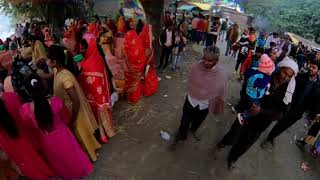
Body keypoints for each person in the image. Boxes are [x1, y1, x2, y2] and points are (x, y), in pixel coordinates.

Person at [217, 57, 298, 169]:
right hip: (248, 112)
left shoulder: (288, 92)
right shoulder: (265, 75)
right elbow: (246, 88)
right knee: (235, 131)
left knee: (246, 142)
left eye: (290, 76)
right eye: (285, 72)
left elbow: (281, 114)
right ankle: (225, 142)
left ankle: (232, 158)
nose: (286, 77)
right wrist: (250, 104)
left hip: (262, 122)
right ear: (280, 68)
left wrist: (261, 111)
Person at [20, 74, 93, 178]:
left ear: (27, 91)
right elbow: (66, 119)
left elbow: (31, 130)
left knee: (62, 168)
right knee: (75, 163)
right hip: (65, 138)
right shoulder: (56, 102)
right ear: (42, 85)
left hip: (48, 144)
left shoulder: (25, 111)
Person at [47, 45, 102, 161]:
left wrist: (73, 119)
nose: (47, 61)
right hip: (67, 110)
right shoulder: (57, 71)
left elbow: (75, 101)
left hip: (74, 112)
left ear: (55, 61)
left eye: (48, 59)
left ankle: (90, 157)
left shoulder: (65, 78)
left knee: (81, 135)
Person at [170, 46, 226, 148]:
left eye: (210, 60)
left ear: (216, 61)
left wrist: (215, 102)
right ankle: (181, 135)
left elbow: (220, 90)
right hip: (191, 100)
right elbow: (191, 81)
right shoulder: (196, 67)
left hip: (205, 105)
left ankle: (193, 130)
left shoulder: (220, 74)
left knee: (198, 120)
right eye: (204, 58)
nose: (206, 62)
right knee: (185, 120)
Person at [261, 59, 320, 149]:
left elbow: (316, 101)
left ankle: (271, 137)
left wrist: (313, 115)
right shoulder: (300, 76)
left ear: (318, 71)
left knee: (283, 126)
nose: (311, 69)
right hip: (288, 105)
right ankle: (264, 134)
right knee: (276, 119)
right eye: (310, 66)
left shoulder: (318, 85)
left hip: (298, 112)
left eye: (314, 67)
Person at [0, 92, 54, 179]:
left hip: (11, 141)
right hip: (21, 134)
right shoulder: (11, 96)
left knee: (28, 163)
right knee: (33, 158)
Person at [78, 32, 115, 142]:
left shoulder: (93, 61)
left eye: (83, 48)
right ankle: (101, 133)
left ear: (90, 47)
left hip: (97, 95)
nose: (81, 51)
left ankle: (103, 134)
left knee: (99, 113)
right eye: (80, 48)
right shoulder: (92, 58)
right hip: (93, 96)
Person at [237, 54, 275, 123]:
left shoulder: (254, 70)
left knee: (249, 104)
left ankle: (244, 112)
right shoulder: (262, 77)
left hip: (249, 91)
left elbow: (247, 73)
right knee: (255, 107)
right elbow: (262, 86)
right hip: (254, 95)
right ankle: (243, 116)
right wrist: (268, 77)